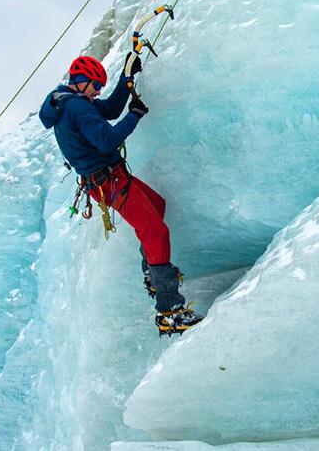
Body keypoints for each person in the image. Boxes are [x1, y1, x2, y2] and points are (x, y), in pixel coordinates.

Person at [39, 54, 203, 335]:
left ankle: (152, 272)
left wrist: (127, 80)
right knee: (156, 231)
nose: (97, 92)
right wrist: (135, 115)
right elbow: (108, 140)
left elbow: (111, 109)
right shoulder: (78, 107)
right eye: (95, 86)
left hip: (109, 179)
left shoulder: (68, 102)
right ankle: (169, 310)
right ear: (81, 81)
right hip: (109, 181)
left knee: (156, 205)